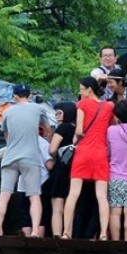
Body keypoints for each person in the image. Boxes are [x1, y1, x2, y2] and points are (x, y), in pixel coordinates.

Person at [62, 77, 114, 240]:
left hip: (83, 152)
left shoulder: (82, 104)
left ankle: (66, 232)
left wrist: (76, 139)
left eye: (82, 89)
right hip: (100, 153)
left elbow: (78, 130)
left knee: (73, 194)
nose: (80, 92)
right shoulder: (108, 106)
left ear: (89, 90)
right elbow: (110, 126)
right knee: (101, 196)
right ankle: (104, 233)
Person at [0, 84, 47, 236]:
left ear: (15, 96)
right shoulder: (38, 109)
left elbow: (7, 138)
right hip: (30, 158)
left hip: (10, 157)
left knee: (4, 194)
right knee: (34, 196)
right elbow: (47, 130)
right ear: (29, 96)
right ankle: (36, 231)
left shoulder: (7, 112)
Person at [107, 100, 127, 241]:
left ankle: (115, 242)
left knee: (114, 212)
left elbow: (108, 152)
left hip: (114, 176)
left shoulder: (110, 130)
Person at [46, 101, 76, 237]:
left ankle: (57, 235)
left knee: (57, 207)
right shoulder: (77, 129)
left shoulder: (62, 128)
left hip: (60, 170)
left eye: (59, 113)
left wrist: (52, 154)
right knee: (71, 205)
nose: (57, 116)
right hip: (74, 170)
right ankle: (68, 234)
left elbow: (52, 149)